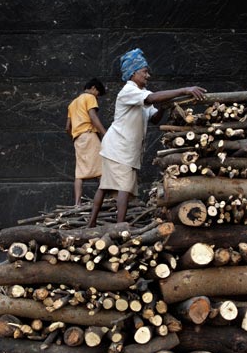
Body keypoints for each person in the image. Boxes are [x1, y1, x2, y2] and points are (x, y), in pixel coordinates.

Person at [88, 48, 207, 227]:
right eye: (144, 72)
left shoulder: (140, 93)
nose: (147, 75)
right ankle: (120, 226)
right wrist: (184, 89)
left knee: (106, 187)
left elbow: (154, 118)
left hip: (122, 147)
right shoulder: (129, 90)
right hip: (118, 146)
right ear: (133, 73)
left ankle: (92, 224)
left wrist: (163, 108)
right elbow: (152, 98)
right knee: (123, 187)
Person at [66, 78, 107, 206]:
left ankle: (77, 204)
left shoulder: (72, 103)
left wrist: (76, 136)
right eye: (98, 94)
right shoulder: (89, 97)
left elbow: (67, 127)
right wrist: (105, 134)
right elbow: (93, 117)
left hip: (77, 139)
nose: (97, 97)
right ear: (94, 88)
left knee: (79, 173)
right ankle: (105, 201)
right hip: (89, 135)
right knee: (101, 168)